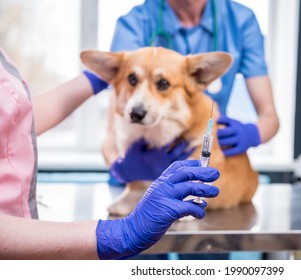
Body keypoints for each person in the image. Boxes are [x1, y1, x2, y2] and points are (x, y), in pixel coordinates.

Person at [0, 47, 220, 260]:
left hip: (21, 230)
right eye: (132, 80)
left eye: (161, 83)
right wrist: (115, 236)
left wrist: (88, 81)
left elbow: (16, 120)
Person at [103, 0, 280, 184]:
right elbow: (111, 136)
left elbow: (270, 119)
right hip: (136, 173)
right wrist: (122, 168)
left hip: (202, 154)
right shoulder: (137, 21)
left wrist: (252, 133)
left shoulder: (240, 20)